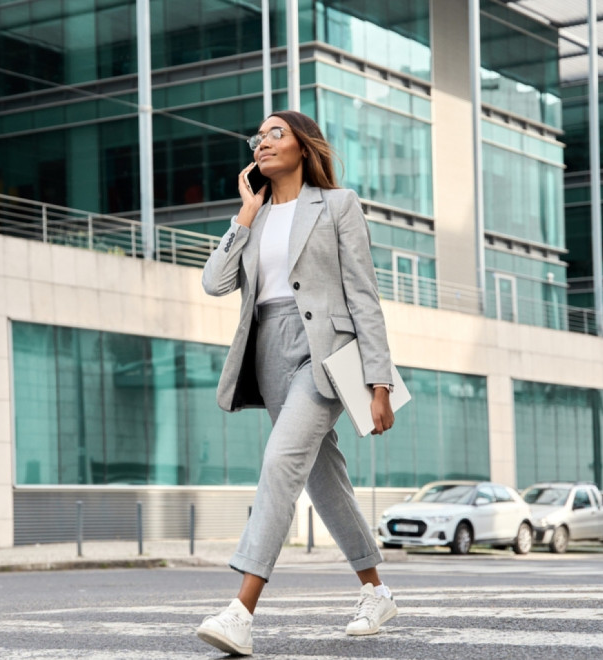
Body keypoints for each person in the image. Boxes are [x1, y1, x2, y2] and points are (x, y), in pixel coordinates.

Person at [196, 110, 397, 656]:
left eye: (275, 133)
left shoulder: (337, 205)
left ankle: (241, 609)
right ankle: (375, 591)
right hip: (268, 355)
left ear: (304, 146)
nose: (263, 141)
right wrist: (243, 215)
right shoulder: (255, 218)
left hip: (324, 355)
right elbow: (215, 282)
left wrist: (378, 381)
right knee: (323, 482)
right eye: (257, 136)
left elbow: (364, 296)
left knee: (280, 462)